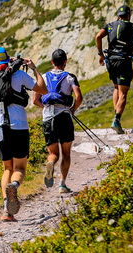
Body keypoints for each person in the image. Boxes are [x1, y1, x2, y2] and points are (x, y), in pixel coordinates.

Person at [0, 46, 47, 222]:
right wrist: (34, 68)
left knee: (7, 168)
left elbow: (0, 75)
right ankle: (14, 185)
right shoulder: (19, 75)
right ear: (8, 59)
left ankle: (7, 211)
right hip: (18, 125)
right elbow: (42, 89)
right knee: (19, 168)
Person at [33, 48, 82, 194]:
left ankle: (50, 163)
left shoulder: (43, 77)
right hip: (64, 116)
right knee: (66, 153)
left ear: (52, 62)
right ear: (65, 62)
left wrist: (46, 108)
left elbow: (35, 100)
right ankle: (62, 184)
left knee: (53, 153)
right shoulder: (70, 77)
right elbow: (79, 97)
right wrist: (72, 109)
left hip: (48, 117)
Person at [95, 4, 133, 134]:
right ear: (129, 16)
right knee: (123, 93)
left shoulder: (110, 25)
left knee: (116, 87)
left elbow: (98, 36)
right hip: (124, 61)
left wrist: (100, 55)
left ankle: (115, 118)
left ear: (118, 16)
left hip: (110, 61)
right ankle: (116, 120)